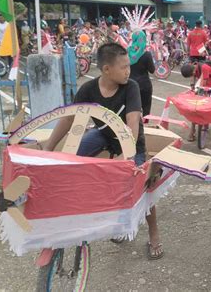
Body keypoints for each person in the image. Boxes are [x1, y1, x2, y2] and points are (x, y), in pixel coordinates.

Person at [43, 43, 164, 260]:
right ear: (107, 69)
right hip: (103, 136)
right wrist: (48, 149)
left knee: (141, 187)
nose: (128, 71)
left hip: (132, 143)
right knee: (70, 159)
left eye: (129, 66)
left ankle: (153, 233)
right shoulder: (88, 89)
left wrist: (123, 158)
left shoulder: (131, 87)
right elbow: (69, 118)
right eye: (124, 67)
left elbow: (133, 122)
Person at [180, 62, 211, 142]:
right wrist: (192, 87)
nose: (193, 75)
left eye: (191, 74)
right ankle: (192, 130)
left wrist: (199, 92)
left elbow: (203, 83)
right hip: (203, 86)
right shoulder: (193, 66)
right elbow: (194, 80)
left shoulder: (204, 67)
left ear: (192, 71)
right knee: (195, 107)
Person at [128, 31, 155, 117]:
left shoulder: (127, 53)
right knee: (146, 109)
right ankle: (145, 127)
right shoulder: (146, 54)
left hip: (130, 84)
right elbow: (152, 70)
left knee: (132, 109)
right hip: (144, 85)